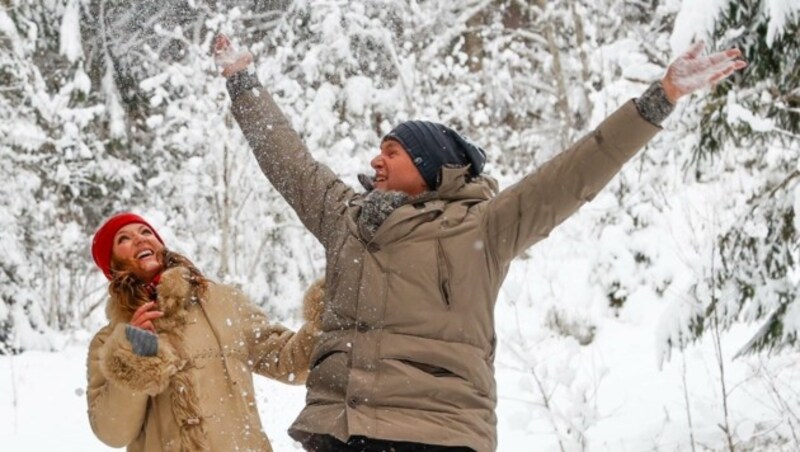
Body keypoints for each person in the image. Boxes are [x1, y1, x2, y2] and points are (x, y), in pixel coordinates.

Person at [215, 34, 746, 452]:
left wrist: (658, 101)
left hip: (439, 431)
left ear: (427, 166)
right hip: (342, 429)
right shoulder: (347, 221)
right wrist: (243, 84)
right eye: (378, 150)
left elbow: (576, 172)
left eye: (393, 151)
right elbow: (288, 162)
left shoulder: (483, 228)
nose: (377, 160)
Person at [85, 212, 324, 451]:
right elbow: (112, 433)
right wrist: (133, 356)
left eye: (146, 232)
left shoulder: (223, 302)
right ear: (112, 265)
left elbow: (290, 363)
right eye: (124, 239)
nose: (140, 239)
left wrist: (326, 315)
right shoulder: (108, 342)